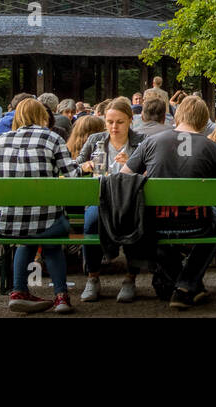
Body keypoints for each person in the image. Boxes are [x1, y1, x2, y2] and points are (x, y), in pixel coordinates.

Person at [123, 97, 216, 308]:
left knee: (148, 225)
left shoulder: (151, 142)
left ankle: (183, 283)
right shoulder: (212, 148)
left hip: (156, 223)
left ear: (177, 116)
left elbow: (124, 177)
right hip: (197, 221)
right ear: (204, 121)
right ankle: (187, 285)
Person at [0, 98, 79, 314]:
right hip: (48, 222)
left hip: (8, 223)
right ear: (42, 116)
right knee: (49, 237)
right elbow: (73, 176)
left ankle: (19, 291)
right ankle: (61, 297)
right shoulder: (52, 138)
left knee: (26, 238)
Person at [76, 98, 147, 303]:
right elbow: (75, 166)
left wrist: (133, 164)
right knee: (90, 222)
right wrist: (85, 166)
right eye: (109, 122)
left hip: (130, 198)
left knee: (133, 221)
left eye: (120, 122)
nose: (114, 127)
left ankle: (130, 279)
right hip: (101, 198)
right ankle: (93, 277)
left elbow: (151, 171)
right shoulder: (95, 140)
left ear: (130, 121)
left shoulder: (141, 141)